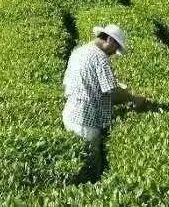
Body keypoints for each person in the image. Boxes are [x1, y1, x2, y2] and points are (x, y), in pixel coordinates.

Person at [62, 24, 144, 181]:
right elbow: (112, 91)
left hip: (70, 114)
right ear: (110, 40)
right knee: (92, 169)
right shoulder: (100, 57)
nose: (114, 53)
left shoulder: (79, 51)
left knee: (77, 161)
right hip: (86, 122)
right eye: (115, 48)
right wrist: (133, 98)